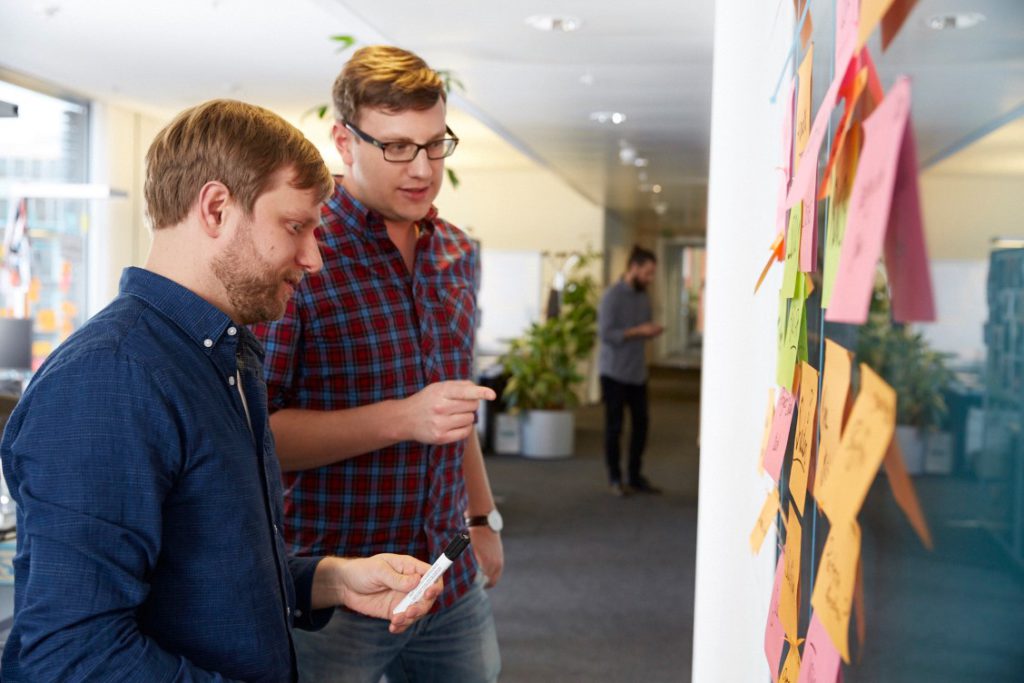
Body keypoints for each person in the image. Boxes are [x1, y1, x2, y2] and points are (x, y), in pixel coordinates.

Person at [0, 99, 440, 682]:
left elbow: (207, 567)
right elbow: (72, 654)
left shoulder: (224, 355)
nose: (312, 258)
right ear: (215, 208)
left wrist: (329, 579)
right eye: (295, 227)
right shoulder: (109, 379)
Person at [251, 46, 502, 683]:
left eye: (435, 144)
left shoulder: (457, 252)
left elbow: (455, 410)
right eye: (395, 147)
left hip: (448, 573)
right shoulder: (302, 252)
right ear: (343, 139)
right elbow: (257, 436)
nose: (422, 169)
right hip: (335, 586)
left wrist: (482, 518)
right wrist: (401, 419)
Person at [598, 245, 665, 497]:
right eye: (647, 273)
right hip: (613, 372)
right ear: (633, 268)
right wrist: (638, 331)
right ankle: (615, 478)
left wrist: (650, 331)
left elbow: (641, 330)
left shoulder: (642, 297)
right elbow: (606, 334)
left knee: (642, 426)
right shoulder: (611, 297)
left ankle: (635, 477)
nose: (649, 279)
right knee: (614, 427)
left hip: (637, 372)